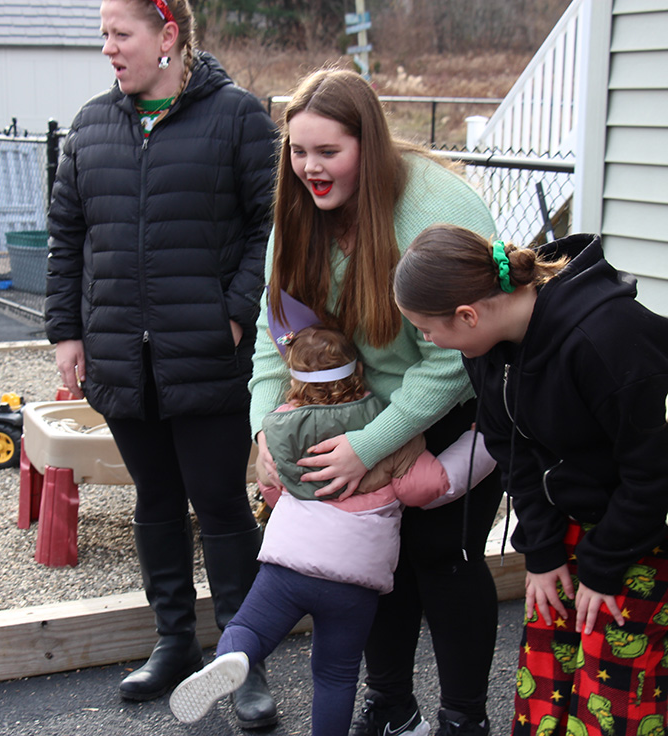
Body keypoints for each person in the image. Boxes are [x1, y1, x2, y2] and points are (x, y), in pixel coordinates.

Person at [247, 67, 503, 736]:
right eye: (298, 152)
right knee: (370, 564)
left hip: (457, 403)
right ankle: (391, 704)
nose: (309, 168)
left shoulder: (431, 210)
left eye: (328, 152)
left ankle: (463, 719)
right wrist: (264, 439)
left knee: (445, 561)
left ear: (370, 142)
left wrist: (370, 444)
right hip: (367, 408)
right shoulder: (297, 214)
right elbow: (276, 341)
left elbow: (452, 358)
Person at [44, 0, 278, 728]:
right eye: (103, 36)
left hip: (207, 355)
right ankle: (175, 643)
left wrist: (235, 312)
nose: (109, 49)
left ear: (167, 34)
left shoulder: (237, 117)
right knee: (155, 501)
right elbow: (68, 239)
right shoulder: (90, 126)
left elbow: (271, 225)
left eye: (122, 35)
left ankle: (244, 661)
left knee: (220, 504)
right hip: (122, 359)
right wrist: (66, 333)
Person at [394, 224, 668, 736]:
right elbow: (512, 454)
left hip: (642, 533)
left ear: (467, 315)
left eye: (426, 330)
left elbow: (653, 474)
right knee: (546, 676)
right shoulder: (484, 350)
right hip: (572, 519)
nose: (427, 341)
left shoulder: (606, 339)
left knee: (616, 689)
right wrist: (540, 554)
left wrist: (603, 566)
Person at [169, 325, 496, 736]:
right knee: (334, 674)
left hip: (285, 566)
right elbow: (428, 488)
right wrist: (482, 445)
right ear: (360, 369)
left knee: (248, 628)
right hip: (351, 579)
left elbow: (271, 488)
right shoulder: (387, 426)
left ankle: (233, 656)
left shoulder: (279, 426)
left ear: (294, 379)